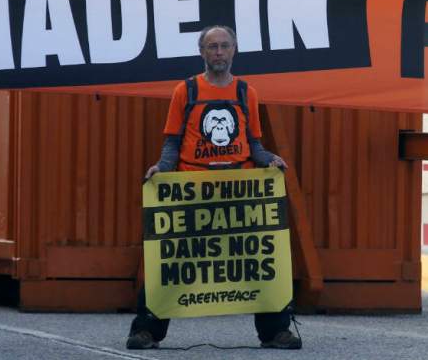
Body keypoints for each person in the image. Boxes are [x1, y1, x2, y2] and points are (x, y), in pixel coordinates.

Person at [126, 25, 302, 350]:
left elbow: (255, 145)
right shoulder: (186, 91)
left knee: (258, 259)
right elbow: (172, 143)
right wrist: (161, 168)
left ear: (234, 50)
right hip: (193, 189)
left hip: (240, 189)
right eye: (212, 47)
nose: (218, 52)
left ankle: (275, 331)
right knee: (171, 259)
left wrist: (269, 160)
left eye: (224, 46)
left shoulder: (246, 92)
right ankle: (146, 330)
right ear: (202, 52)